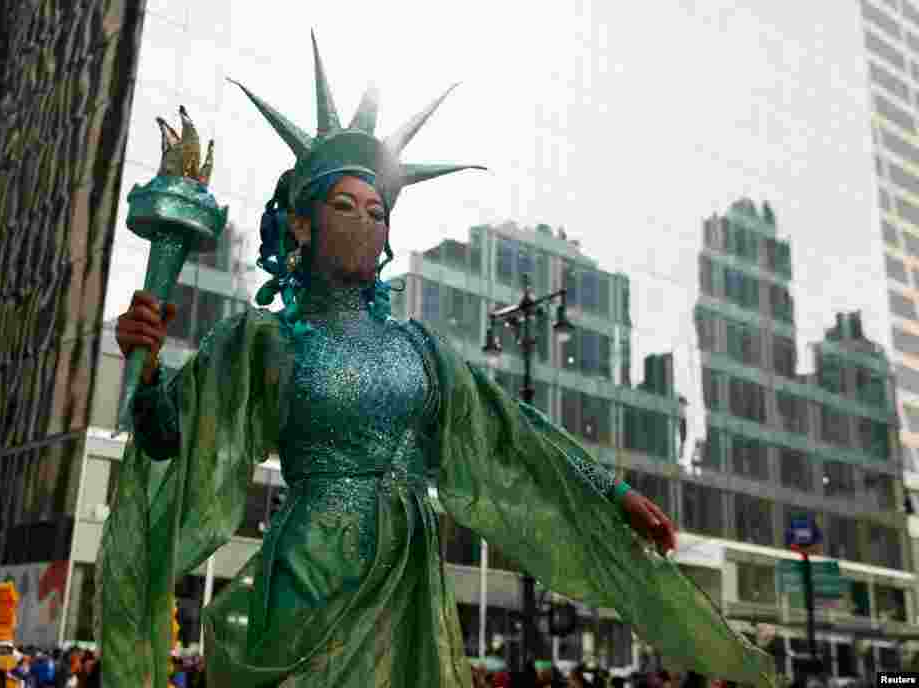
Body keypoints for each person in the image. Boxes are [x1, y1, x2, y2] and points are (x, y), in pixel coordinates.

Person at [99, 33, 776, 688]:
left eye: (378, 211)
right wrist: (147, 364)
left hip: (410, 585)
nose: (369, 222)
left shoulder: (417, 347)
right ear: (302, 224)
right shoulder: (262, 341)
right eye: (345, 206)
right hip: (311, 579)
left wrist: (615, 491)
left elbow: (516, 430)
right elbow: (166, 437)